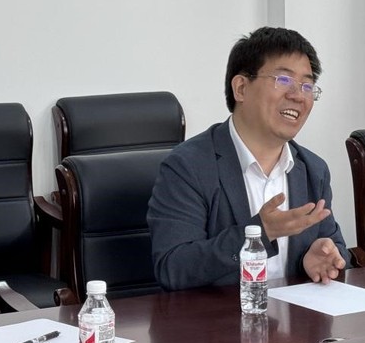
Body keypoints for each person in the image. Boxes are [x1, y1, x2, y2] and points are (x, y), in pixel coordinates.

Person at [147, 26, 351, 291]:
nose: (298, 95)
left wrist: (320, 258)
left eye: (307, 85)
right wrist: (260, 233)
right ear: (241, 88)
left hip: (295, 316)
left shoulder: (313, 169)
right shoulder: (188, 167)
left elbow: (337, 250)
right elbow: (173, 268)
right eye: (284, 80)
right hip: (220, 317)